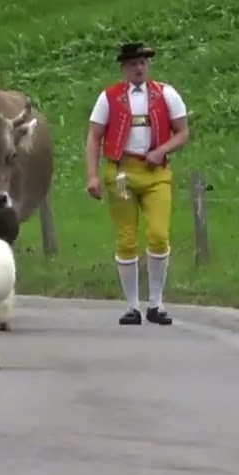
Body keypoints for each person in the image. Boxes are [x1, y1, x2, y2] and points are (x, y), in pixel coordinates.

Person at [85, 42, 189, 327]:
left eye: (142, 62)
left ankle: (156, 302)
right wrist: (92, 175)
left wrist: (162, 149)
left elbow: (182, 132)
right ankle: (132, 306)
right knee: (126, 237)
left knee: (158, 234)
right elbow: (94, 136)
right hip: (120, 173)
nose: (139, 68)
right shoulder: (109, 97)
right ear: (124, 68)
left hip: (156, 172)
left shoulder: (166, 94)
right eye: (133, 63)